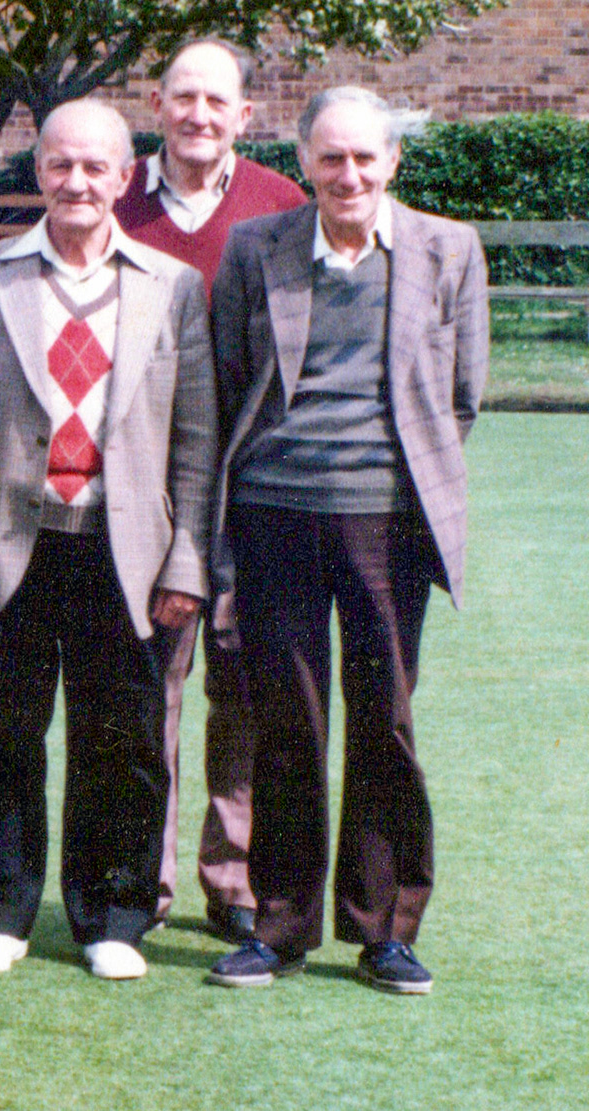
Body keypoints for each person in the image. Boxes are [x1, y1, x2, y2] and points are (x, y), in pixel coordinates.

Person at [0, 100, 216, 982]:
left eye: (96, 168)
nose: (77, 183)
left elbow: (196, 441)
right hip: (6, 543)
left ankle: (111, 912)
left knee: (121, 738)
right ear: (37, 171)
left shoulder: (172, 285)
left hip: (128, 553)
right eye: (59, 165)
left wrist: (189, 558)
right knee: (1, 732)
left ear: (126, 177)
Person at [204, 87, 486, 995]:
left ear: (393, 162)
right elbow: (229, 379)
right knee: (287, 722)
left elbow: (462, 396)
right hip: (274, 514)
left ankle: (384, 931)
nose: (350, 175)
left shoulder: (449, 249)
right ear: (306, 165)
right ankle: (279, 927)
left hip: (389, 523)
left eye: (366, 158)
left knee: (385, 722)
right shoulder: (258, 249)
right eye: (332, 158)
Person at [112, 38, 307, 943]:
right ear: (158, 103)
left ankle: (230, 878)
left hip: (251, 482)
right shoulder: (112, 195)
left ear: (243, 113)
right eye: (182, 96)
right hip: (139, 484)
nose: (197, 113)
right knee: (147, 688)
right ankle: (135, 879)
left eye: (214, 99)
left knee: (244, 689)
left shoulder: (282, 205)